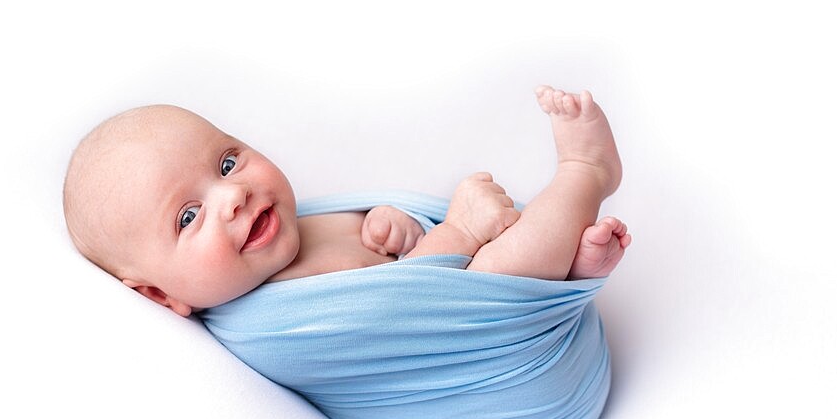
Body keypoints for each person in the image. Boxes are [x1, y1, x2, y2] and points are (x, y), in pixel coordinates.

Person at [63, 86, 630, 314]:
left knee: (512, 253)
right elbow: (407, 314)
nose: (232, 195)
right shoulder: (274, 318)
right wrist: (456, 232)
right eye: (188, 216)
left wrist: (396, 226)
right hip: (475, 351)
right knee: (502, 267)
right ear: (162, 295)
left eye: (227, 163)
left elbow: (397, 267)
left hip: (462, 297)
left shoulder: (300, 227)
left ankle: (561, 276)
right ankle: (586, 172)